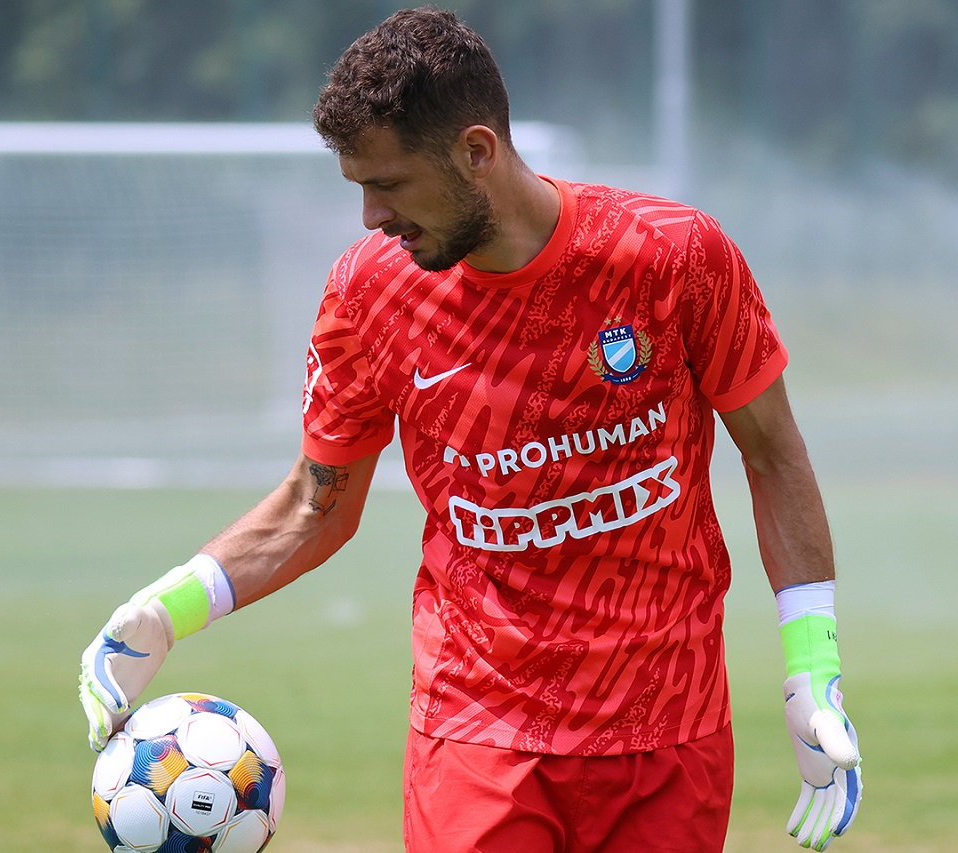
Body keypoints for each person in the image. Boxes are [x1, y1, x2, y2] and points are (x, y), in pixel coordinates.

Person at [78, 6, 860, 851]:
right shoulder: (368, 292)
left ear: (476, 151)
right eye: (358, 189)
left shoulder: (674, 257)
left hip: (667, 724)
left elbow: (772, 452)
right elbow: (316, 505)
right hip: (477, 728)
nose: (371, 216)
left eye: (389, 184)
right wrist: (164, 609)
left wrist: (810, 665)